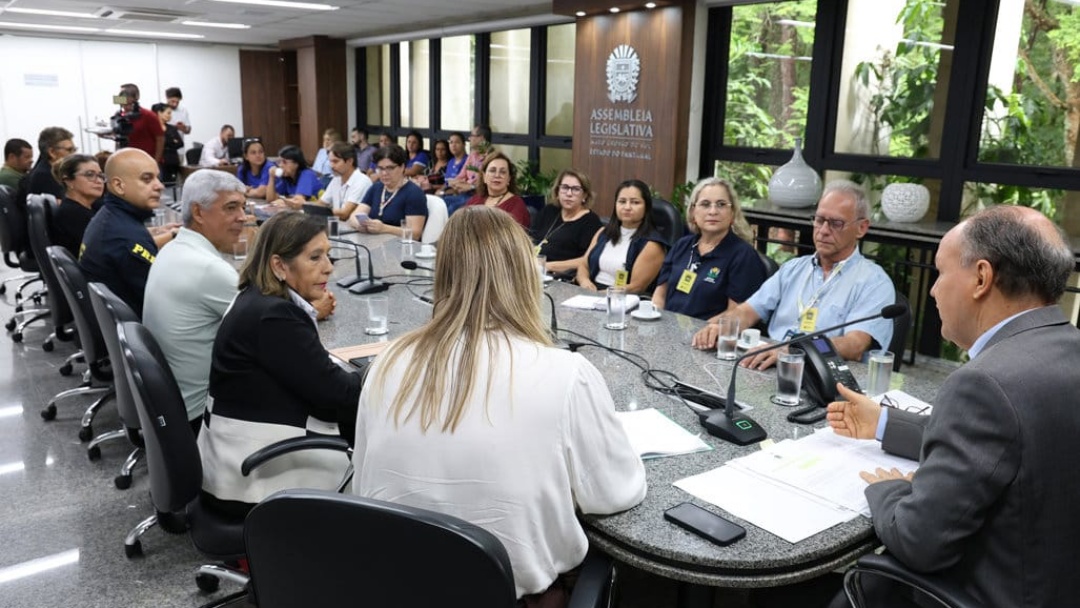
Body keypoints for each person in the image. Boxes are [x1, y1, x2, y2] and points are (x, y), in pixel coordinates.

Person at [352, 206, 646, 604]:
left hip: (393, 589)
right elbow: (614, 494)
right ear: (525, 275)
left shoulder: (388, 361)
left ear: (443, 275)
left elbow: (365, 481)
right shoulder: (567, 373)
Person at [824, 205, 1080, 608]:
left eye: (941, 273)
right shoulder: (1064, 351)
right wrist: (885, 423)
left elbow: (918, 542)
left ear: (981, 277)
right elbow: (1010, 438)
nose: (932, 290)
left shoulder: (984, 382)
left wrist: (888, 489)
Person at [199, 211, 360, 516]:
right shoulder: (274, 316)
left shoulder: (254, 297)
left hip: (231, 455)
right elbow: (341, 396)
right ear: (279, 265)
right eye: (315, 258)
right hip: (252, 475)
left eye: (328, 255)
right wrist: (382, 371)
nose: (328, 268)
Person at [691, 180, 894, 370]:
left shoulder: (874, 282)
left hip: (825, 374)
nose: (823, 230)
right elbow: (747, 311)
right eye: (819, 220)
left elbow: (854, 345)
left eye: (836, 223)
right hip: (771, 365)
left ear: (861, 228)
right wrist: (721, 326)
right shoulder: (794, 269)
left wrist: (795, 350)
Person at [143, 170, 246, 434]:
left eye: (243, 207)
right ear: (198, 213)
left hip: (173, 404)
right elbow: (273, 331)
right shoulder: (209, 269)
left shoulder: (173, 249)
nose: (243, 217)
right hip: (203, 415)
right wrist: (311, 309)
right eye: (231, 207)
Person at [78, 148, 178, 318]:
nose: (160, 186)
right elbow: (164, 300)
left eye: (157, 178)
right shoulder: (125, 237)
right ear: (118, 185)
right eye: (147, 179)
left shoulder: (109, 216)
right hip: (136, 329)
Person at [652, 177, 767, 320]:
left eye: (721, 204)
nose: (713, 211)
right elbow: (660, 293)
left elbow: (736, 314)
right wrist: (655, 320)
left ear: (732, 213)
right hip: (667, 328)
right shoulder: (682, 245)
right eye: (705, 204)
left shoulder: (743, 255)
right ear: (693, 212)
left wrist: (702, 331)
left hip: (708, 336)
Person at [575, 179, 667, 294]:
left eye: (635, 202)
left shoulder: (653, 244)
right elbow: (584, 265)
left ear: (646, 207)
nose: (627, 207)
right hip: (590, 292)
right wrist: (584, 282)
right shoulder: (603, 232)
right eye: (622, 201)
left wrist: (604, 294)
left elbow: (637, 287)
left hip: (621, 299)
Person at [530, 168, 602, 275]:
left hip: (561, 276)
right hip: (533, 269)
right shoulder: (549, 210)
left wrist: (547, 266)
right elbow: (529, 238)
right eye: (565, 187)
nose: (569, 193)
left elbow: (586, 260)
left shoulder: (591, 222)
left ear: (585, 195)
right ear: (557, 191)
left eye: (576, 189)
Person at [354, 143, 427, 238]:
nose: (384, 173)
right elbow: (354, 216)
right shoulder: (376, 187)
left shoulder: (414, 193)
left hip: (400, 247)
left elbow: (415, 234)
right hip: (374, 243)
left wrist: (384, 229)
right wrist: (359, 225)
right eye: (380, 168)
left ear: (402, 167)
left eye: (390, 168)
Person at [51, 154, 104, 258]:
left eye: (101, 176)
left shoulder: (90, 207)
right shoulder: (71, 214)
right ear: (69, 181)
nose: (99, 181)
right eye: (90, 175)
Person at [463, 152, 530, 228]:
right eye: (492, 170)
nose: (497, 175)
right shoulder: (475, 200)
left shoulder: (516, 205)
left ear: (509, 179)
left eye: (503, 172)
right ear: (484, 176)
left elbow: (512, 237)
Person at [441, 124, 491, 214]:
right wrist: (454, 183)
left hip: (479, 197)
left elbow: (488, 183)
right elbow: (461, 175)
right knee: (441, 202)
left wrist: (471, 186)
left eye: (472, 136)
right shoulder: (472, 155)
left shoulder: (490, 158)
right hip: (464, 194)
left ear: (482, 138)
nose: (469, 138)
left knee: (452, 208)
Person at [317, 141, 372, 221]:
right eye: (330, 161)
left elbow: (345, 214)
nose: (331, 166)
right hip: (338, 226)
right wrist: (306, 206)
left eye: (335, 161)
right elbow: (321, 203)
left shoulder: (362, 181)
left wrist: (320, 211)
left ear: (349, 161)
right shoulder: (336, 179)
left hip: (355, 229)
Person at [24, 127, 75, 201]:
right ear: (52, 152)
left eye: (74, 150)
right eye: (69, 150)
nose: (73, 154)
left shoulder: (46, 170)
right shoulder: (44, 175)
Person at [116, 83, 164, 162]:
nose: (125, 107)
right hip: (127, 159)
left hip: (147, 159)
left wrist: (156, 161)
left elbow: (160, 139)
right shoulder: (120, 115)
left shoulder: (148, 115)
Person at [151, 102, 183, 182]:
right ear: (159, 113)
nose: (170, 116)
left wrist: (164, 142)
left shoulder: (172, 128)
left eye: (171, 113)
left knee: (173, 185)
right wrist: (172, 141)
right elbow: (154, 144)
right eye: (168, 113)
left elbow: (180, 143)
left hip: (172, 161)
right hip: (158, 161)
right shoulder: (152, 128)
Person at [164, 87, 192, 153]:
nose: (175, 104)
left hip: (179, 149)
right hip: (165, 149)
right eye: (173, 101)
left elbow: (188, 130)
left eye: (177, 102)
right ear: (167, 98)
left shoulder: (183, 110)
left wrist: (184, 128)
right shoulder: (161, 110)